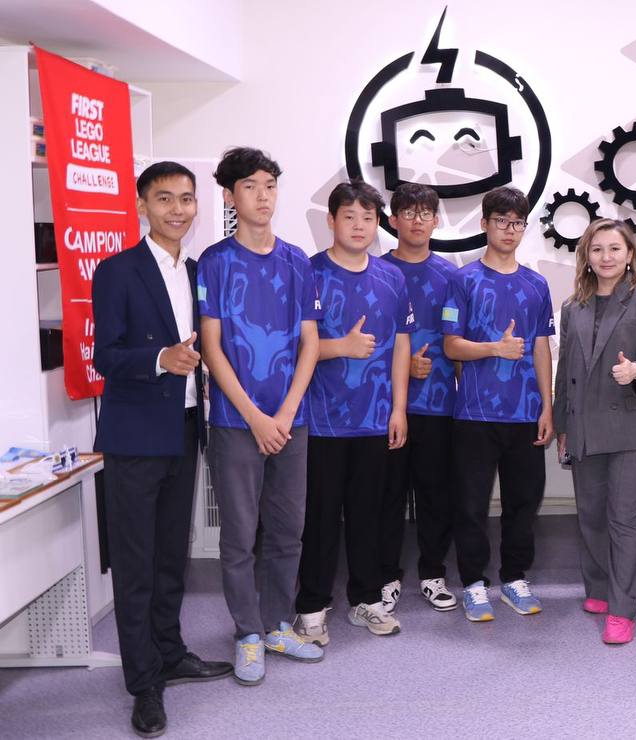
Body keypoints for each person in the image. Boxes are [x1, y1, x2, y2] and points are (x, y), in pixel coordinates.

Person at [92, 162, 231, 737]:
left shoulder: (196, 272)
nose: (178, 210)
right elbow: (106, 355)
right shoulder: (117, 271)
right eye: (165, 198)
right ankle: (144, 682)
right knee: (136, 564)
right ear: (142, 205)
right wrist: (160, 359)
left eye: (187, 199)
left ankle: (170, 653)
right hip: (134, 436)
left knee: (172, 554)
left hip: (184, 428)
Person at [198, 147, 324, 685]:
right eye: (250, 186)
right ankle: (247, 633)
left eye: (270, 185)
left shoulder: (297, 261)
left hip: (292, 419)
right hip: (236, 422)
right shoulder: (215, 262)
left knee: (288, 530)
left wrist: (287, 411)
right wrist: (254, 416)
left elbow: (310, 343)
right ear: (230, 197)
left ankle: (276, 624)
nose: (263, 196)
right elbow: (211, 346)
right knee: (239, 535)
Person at [293, 182, 412, 643]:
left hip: (375, 418)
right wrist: (339, 346)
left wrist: (399, 408)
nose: (359, 226)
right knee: (320, 519)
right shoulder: (308, 273)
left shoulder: (392, 278)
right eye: (349, 216)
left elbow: (401, 345)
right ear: (331, 220)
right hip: (321, 420)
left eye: (368, 217)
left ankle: (366, 600)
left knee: (369, 516)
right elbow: (293, 347)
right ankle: (312, 606)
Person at [552, 219, 636, 645]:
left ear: (629, 255)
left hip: (631, 428)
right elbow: (565, 371)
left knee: (625, 521)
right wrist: (562, 425)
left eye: (615, 249)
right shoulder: (573, 306)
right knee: (591, 515)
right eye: (597, 249)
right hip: (584, 427)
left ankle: (622, 610)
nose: (606, 257)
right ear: (586, 255)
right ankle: (600, 588)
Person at [442, 186, 555, 621]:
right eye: (501, 221)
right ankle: (473, 584)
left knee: (523, 502)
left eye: (517, 223)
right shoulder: (463, 280)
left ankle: (514, 578)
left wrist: (547, 407)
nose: (510, 230)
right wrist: (495, 348)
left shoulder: (536, 284)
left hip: (525, 412)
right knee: (470, 504)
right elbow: (451, 346)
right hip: (474, 414)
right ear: (485, 224)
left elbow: (541, 347)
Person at [378, 182, 460, 613]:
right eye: (408, 213)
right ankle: (386, 576)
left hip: (438, 405)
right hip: (384, 406)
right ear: (392, 220)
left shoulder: (451, 276)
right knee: (387, 495)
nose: (417, 221)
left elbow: (460, 339)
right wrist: (401, 365)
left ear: (436, 220)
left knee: (436, 494)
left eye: (425, 213)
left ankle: (432, 574)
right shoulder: (375, 272)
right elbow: (367, 340)